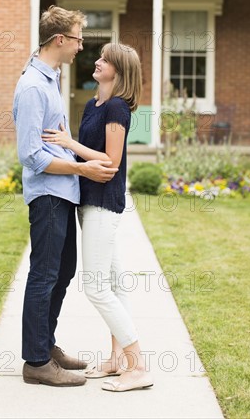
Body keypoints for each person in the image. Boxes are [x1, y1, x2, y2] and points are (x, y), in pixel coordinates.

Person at [13, 5, 118, 387]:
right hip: (48, 195)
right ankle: (36, 361)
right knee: (44, 274)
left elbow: (54, 143)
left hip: (63, 193)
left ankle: (45, 344)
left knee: (64, 271)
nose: (80, 47)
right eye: (77, 39)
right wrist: (82, 168)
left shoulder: (51, 79)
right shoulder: (32, 87)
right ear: (60, 40)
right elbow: (31, 155)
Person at [42, 42, 154, 392]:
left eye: (105, 59)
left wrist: (70, 144)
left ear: (117, 71)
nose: (97, 60)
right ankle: (116, 360)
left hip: (104, 203)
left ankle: (138, 366)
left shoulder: (117, 108)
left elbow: (110, 161)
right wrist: (71, 146)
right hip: (88, 200)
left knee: (96, 287)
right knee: (116, 283)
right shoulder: (94, 104)